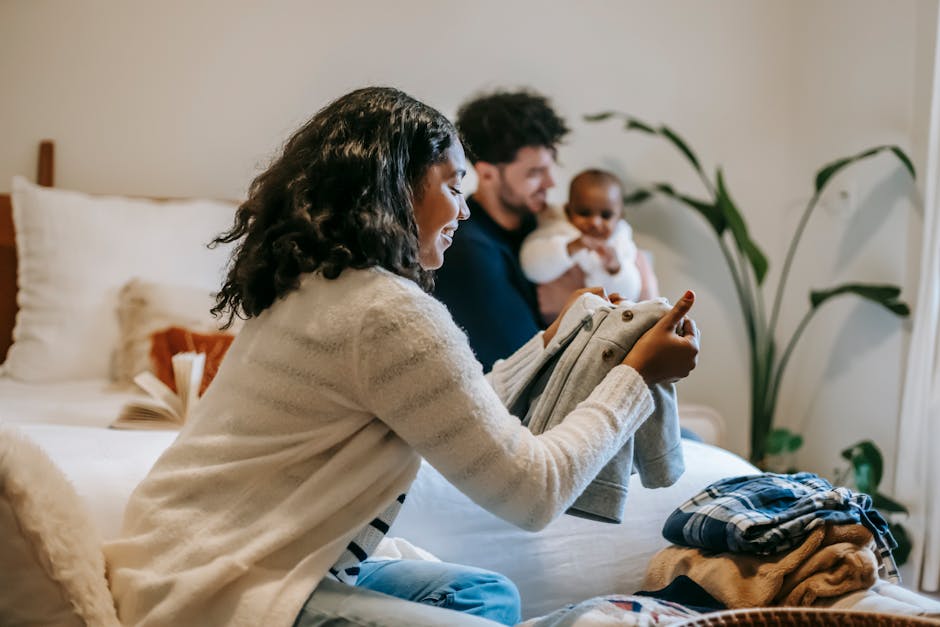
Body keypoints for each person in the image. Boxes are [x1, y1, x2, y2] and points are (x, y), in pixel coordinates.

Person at [104, 87, 701, 627]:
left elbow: (456, 412)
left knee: (489, 598)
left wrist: (550, 342)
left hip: (201, 553)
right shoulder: (387, 314)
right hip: (219, 585)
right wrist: (635, 378)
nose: (463, 212)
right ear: (395, 186)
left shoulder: (317, 284)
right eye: (452, 187)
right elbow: (533, 491)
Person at [433, 88, 573, 372]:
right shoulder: (468, 252)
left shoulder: (545, 231)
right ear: (486, 174)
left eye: (550, 167)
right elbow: (528, 369)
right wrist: (572, 309)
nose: (551, 183)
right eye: (535, 173)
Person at [520, 169, 659, 321]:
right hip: (555, 325)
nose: (595, 222)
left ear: (619, 216)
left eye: (606, 215)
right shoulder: (556, 231)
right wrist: (569, 249)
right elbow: (531, 267)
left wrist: (615, 269)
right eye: (584, 213)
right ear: (568, 210)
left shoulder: (621, 244)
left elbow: (630, 295)